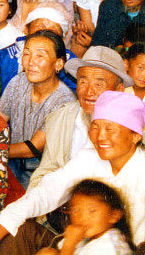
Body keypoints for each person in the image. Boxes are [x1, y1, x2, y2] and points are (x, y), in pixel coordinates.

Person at [0, 91, 145, 254]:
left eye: (110, 129)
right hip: (77, 246)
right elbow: (44, 194)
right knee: (17, 231)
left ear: (136, 135)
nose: (100, 136)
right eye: (95, 127)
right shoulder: (88, 159)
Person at [30, 45, 131, 189]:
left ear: (119, 90)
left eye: (99, 84)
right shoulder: (61, 117)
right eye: (83, 82)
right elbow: (46, 170)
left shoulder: (133, 126)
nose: (89, 91)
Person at [0, 31, 77, 187]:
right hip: (10, 162)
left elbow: (33, 148)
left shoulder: (64, 101)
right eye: (27, 54)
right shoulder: (18, 81)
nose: (31, 61)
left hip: (42, 174)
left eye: (40, 56)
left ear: (59, 64)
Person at [37, 179, 134, 255]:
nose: (82, 217)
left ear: (114, 216)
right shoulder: (87, 237)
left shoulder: (109, 247)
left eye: (92, 211)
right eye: (76, 211)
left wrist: (69, 245)